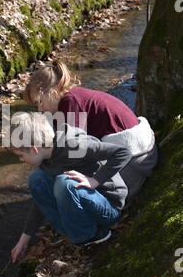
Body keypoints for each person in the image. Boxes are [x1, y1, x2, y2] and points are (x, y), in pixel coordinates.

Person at [24, 60, 158, 198]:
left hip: (134, 165)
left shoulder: (70, 102)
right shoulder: (75, 97)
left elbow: (73, 153)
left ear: (52, 93)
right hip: (143, 155)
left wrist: (43, 162)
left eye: (39, 102)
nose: (40, 109)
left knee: (64, 180)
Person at [10, 112, 132, 263]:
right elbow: (39, 202)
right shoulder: (46, 159)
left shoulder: (74, 146)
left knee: (64, 183)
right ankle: (73, 232)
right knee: (37, 180)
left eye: (21, 155)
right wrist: (25, 238)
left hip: (108, 207)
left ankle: (93, 235)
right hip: (82, 204)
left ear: (34, 149)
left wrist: (95, 181)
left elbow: (123, 152)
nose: (21, 160)